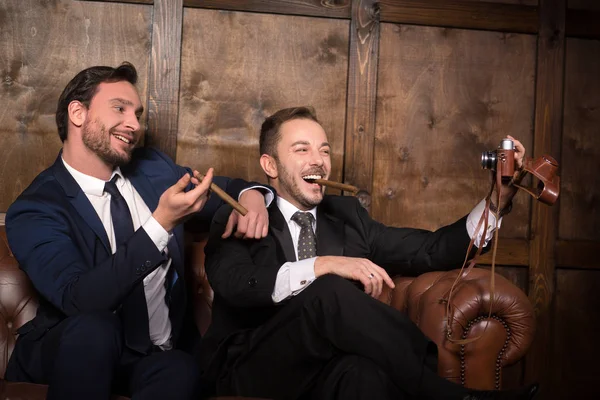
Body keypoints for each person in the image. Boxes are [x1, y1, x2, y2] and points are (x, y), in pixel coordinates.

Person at [199, 106, 539, 400]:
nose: (318, 161)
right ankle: (441, 392)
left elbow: (430, 250)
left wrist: (497, 202)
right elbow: (236, 283)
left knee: (364, 373)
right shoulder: (242, 214)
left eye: (325, 151)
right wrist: (322, 265)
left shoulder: (348, 218)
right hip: (251, 368)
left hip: (325, 370)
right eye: (302, 150)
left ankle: (432, 387)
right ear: (270, 165)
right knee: (329, 287)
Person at [4, 62, 272, 400]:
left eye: (138, 114)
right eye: (119, 108)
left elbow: (225, 189)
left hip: (149, 359)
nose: (134, 124)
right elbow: (78, 299)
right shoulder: (36, 207)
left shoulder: (153, 169)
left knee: (179, 368)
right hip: (76, 353)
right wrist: (159, 225)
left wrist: (253, 195)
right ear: (78, 113)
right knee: (95, 330)